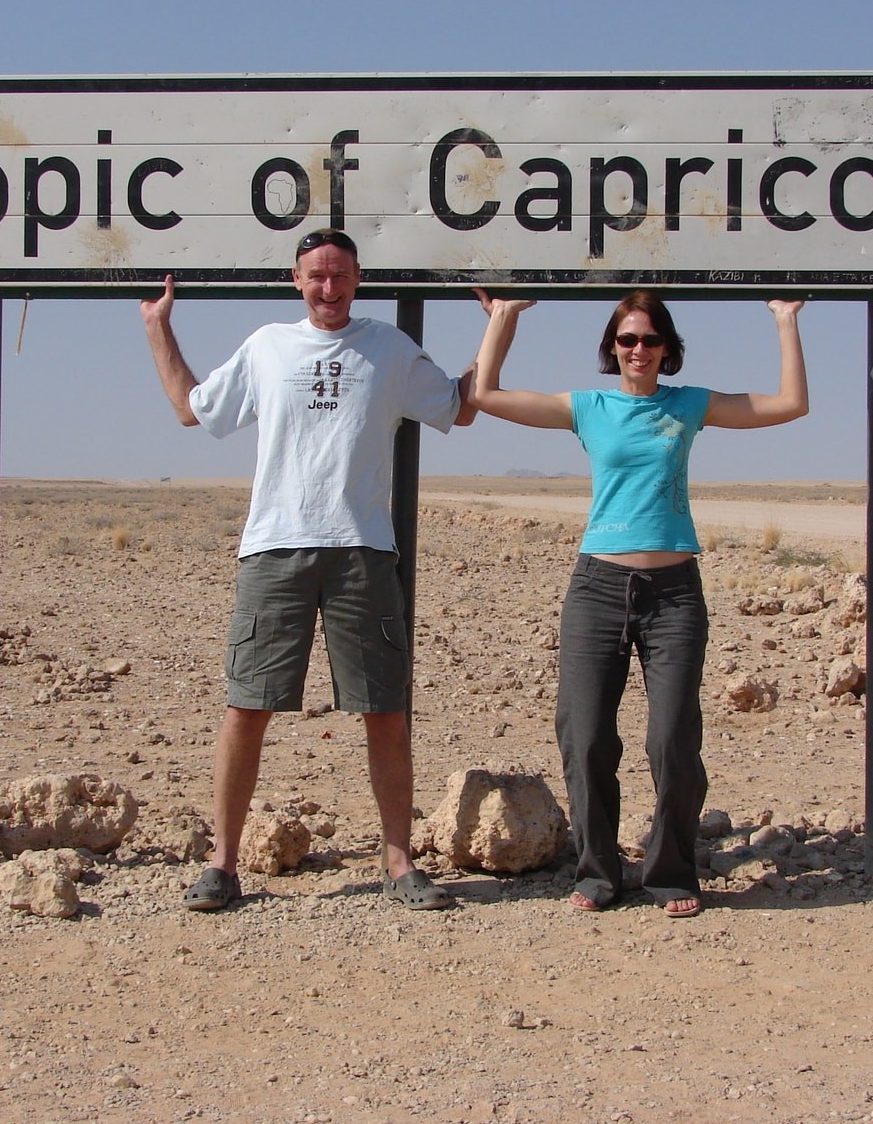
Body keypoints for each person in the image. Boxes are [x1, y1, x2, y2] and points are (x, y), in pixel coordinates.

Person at [141, 228, 475, 912]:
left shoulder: (387, 347)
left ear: (358, 279)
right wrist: (157, 327)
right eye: (317, 276)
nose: (329, 288)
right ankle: (224, 864)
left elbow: (457, 406)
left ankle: (399, 862)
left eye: (341, 276)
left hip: (362, 550)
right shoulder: (268, 346)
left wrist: (498, 324)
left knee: (384, 709)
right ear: (297, 280)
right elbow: (190, 407)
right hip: (274, 548)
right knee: (247, 706)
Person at [470, 289, 808, 917]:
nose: (638, 350)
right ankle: (597, 871)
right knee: (587, 735)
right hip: (597, 587)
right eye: (627, 340)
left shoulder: (689, 405)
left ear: (668, 349)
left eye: (650, 340)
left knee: (673, 738)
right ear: (612, 349)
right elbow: (486, 394)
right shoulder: (588, 407)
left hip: (674, 592)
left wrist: (785, 321)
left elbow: (790, 404)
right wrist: (504, 317)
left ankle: (671, 871)